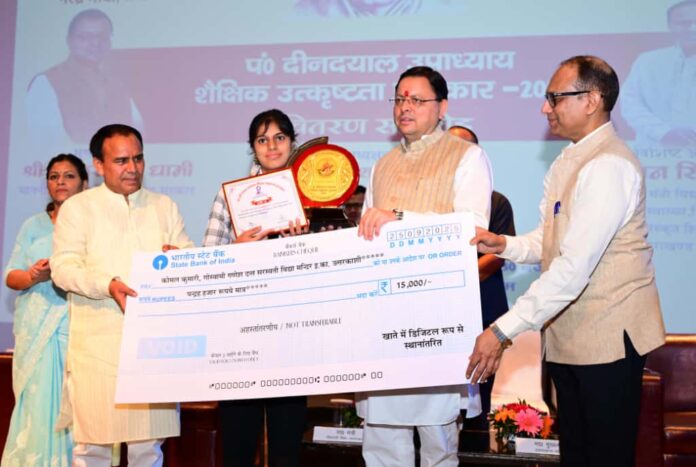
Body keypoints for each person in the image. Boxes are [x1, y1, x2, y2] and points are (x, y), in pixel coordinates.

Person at [467, 56, 666, 466]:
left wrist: (501, 331)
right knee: (575, 452)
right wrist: (501, 244)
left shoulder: (609, 165)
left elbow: (573, 268)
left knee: (604, 456)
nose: (546, 108)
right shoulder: (569, 159)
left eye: (555, 97)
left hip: (608, 340)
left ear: (591, 100)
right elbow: (551, 240)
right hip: (570, 339)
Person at [356, 66, 492, 467]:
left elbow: (472, 227)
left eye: (417, 99)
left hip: (438, 316)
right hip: (384, 316)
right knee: (382, 443)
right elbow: (367, 234)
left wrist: (400, 218)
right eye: (400, 99)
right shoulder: (382, 164)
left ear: (442, 107)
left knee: (437, 441)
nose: (405, 107)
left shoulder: (467, 156)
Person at [50, 124, 193, 467]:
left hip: (154, 348)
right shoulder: (78, 208)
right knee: (92, 448)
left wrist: (182, 261)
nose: (133, 168)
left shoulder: (163, 206)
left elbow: (187, 253)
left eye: (138, 159)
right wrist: (107, 284)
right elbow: (63, 268)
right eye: (121, 161)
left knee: (148, 450)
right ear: (98, 165)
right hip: (97, 347)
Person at [203, 109, 307, 467]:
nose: (272, 146)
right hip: (241, 330)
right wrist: (236, 249)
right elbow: (209, 259)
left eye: (279, 137)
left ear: (292, 142)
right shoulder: (231, 195)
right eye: (262, 140)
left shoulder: (309, 191)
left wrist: (302, 242)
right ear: (253, 147)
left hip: (293, 328)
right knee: (238, 438)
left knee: (287, 442)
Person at [1, 154, 88, 467]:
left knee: (78, 407)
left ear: (84, 183)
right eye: (54, 176)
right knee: (37, 406)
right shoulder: (33, 226)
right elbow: (11, 276)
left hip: (76, 328)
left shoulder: (92, 224)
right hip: (35, 331)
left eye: (69, 176)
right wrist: (33, 276)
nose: (60, 182)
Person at [448, 122, 516, 427]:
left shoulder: (496, 200)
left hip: (483, 307)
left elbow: (498, 254)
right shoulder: (430, 202)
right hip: (439, 312)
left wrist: (455, 281)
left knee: (479, 390)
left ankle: (474, 446)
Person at [26, 9, 143, 147]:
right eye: (85, 37)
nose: (95, 43)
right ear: (69, 41)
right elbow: (45, 144)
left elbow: (139, 132)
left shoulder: (118, 84)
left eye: (102, 37)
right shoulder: (46, 82)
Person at [621, 0, 696, 147]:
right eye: (684, 23)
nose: (693, 28)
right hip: (654, 151)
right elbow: (630, 104)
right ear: (670, 26)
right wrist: (663, 133)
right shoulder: (648, 61)